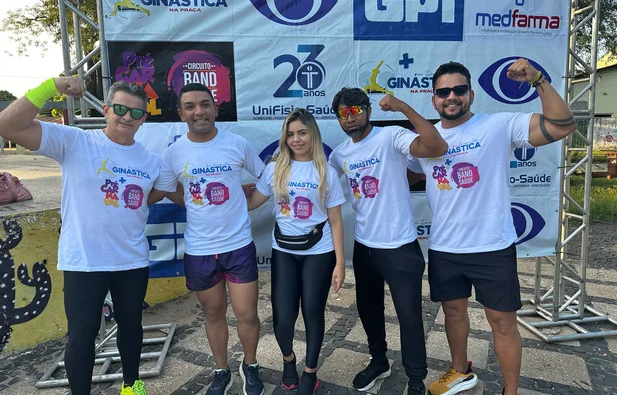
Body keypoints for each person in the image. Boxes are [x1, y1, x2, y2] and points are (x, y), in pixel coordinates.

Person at [406, 60, 577, 395]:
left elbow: (562, 125)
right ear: (434, 99)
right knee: (453, 315)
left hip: (491, 246)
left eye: (458, 90)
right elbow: (403, 173)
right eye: (443, 92)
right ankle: (460, 371)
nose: (451, 97)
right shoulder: (425, 140)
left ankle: (509, 392)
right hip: (444, 247)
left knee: (503, 323)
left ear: (470, 94)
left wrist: (538, 80)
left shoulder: (498, 125)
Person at [0, 78, 170, 395]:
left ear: (144, 118)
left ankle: (132, 386)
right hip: (84, 260)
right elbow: (7, 125)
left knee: (132, 326)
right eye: (119, 108)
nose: (127, 117)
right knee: (82, 334)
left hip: (131, 259)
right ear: (106, 110)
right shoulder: (76, 142)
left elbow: (157, 192)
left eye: (136, 112)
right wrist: (52, 86)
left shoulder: (150, 159)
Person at [327, 88, 448, 395]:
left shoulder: (391, 136)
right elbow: (316, 185)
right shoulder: (339, 154)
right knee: (368, 311)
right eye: (343, 113)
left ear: (367, 109)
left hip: (400, 246)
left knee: (409, 317)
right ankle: (379, 362)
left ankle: (416, 379)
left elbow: (435, 146)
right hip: (365, 246)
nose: (350, 118)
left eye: (355, 110)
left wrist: (402, 106)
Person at [153, 83, 266, 395]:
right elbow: (165, 189)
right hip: (201, 250)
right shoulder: (174, 153)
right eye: (190, 106)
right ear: (181, 114)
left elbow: (266, 176)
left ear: (216, 109)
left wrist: (251, 202)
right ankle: (221, 370)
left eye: (205, 104)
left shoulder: (236, 143)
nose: (198, 111)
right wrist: (190, 199)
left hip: (238, 245)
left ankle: (251, 365)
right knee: (214, 313)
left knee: (247, 314)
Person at [245, 109, 346, 394]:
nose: (296, 139)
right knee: (283, 315)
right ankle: (288, 360)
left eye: (302, 133)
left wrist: (340, 263)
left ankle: (310, 373)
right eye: (290, 134)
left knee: (313, 311)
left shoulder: (326, 171)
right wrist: (231, 193)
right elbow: (254, 202)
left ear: (313, 134)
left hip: (319, 251)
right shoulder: (275, 169)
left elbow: (336, 220)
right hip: (284, 251)